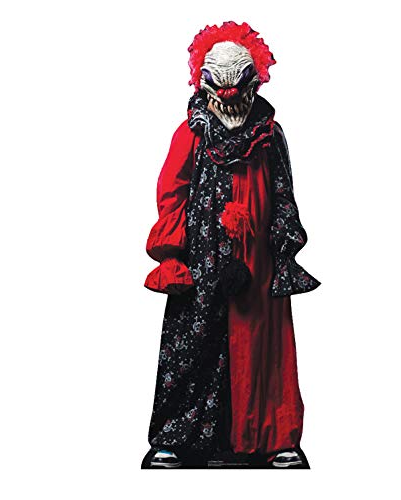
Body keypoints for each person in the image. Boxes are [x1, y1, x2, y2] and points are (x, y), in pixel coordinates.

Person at [141, 21, 320, 469]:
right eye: (217, 85)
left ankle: (273, 438)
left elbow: (283, 194)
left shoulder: (269, 136)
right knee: (192, 346)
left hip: (256, 265)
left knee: (263, 346)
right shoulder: (191, 133)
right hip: (200, 261)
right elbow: (171, 193)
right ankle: (176, 439)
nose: (227, 97)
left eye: (237, 84)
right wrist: (173, 256)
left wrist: (283, 251)